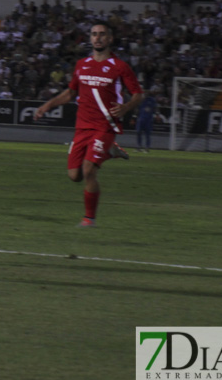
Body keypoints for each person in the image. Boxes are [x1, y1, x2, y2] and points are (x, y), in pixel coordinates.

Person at [34, 22, 143, 227]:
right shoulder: (81, 64)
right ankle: (110, 152)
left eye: (102, 34)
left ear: (110, 39)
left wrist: (126, 107)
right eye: (94, 34)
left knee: (88, 171)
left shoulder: (119, 67)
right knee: (74, 176)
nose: (98, 38)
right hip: (82, 127)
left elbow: (138, 94)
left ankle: (89, 219)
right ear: (90, 38)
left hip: (105, 126)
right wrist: (47, 105)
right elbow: (70, 93)